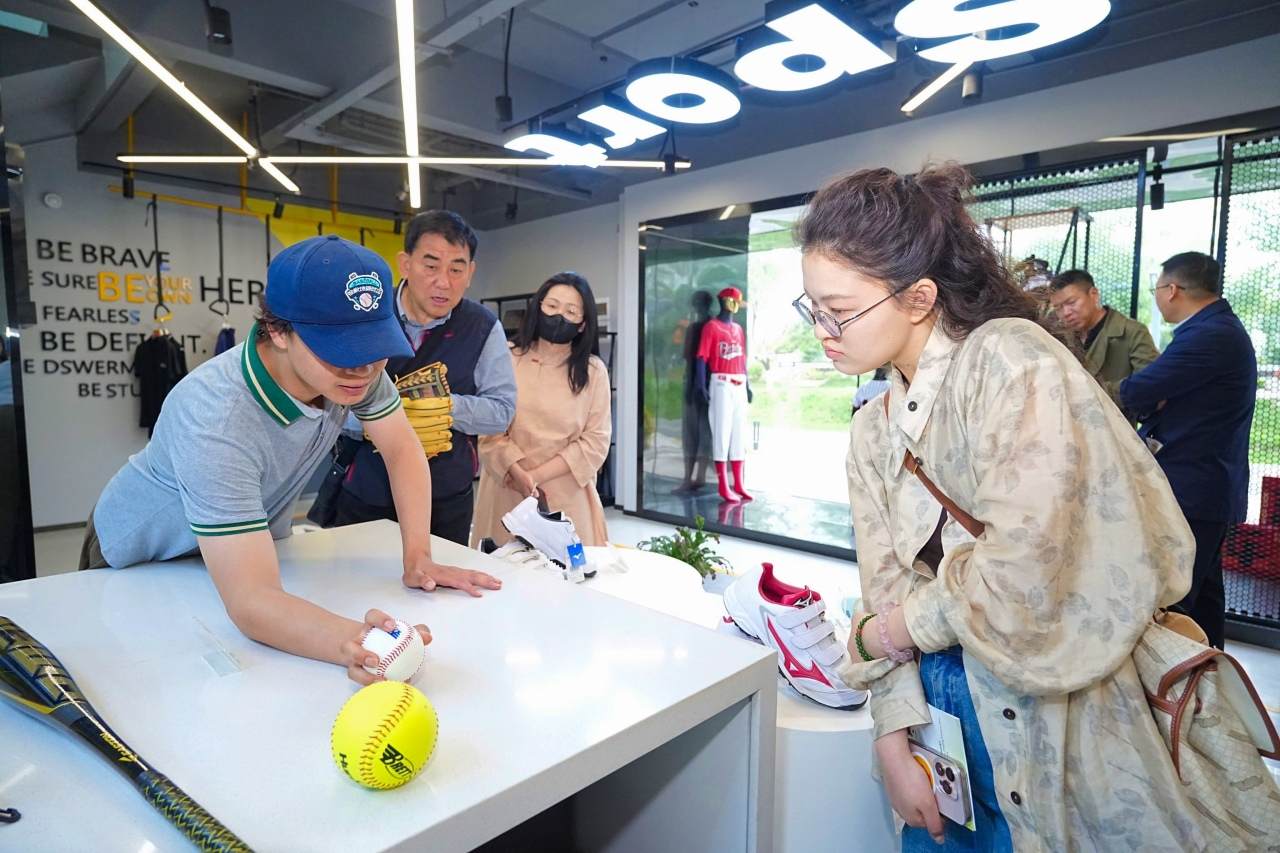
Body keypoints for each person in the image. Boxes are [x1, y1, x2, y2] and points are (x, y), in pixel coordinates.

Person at [794, 164, 1198, 850]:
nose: (822, 331)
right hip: (935, 720)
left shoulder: (1011, 362)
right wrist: (892, 737)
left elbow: (1022, 576)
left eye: (839, 310)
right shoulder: (871, 428)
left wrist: (891, 631)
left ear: (919, 297)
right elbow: (882, 584)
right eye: (812, 309)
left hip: (1056, 707)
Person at [81, 236, 500, 682]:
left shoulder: (356, 374)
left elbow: (401, 448)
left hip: (227, 551)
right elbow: (251, 601)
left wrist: (419, 556)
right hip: (141, 558)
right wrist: (358, 643)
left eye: (372, 345)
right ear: (279, 331)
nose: (362, 368)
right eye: (340, 349)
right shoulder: (216, 417)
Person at [327, 210, 517, 545]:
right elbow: (326, 400)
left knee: (443, 577)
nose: (443, 282)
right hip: (367, 491)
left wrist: (443, 407)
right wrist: (383, 418)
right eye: (431, 266)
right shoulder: (367, 313)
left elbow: (502, 411)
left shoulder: (483, 327)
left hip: (445, 497)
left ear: (470, 273)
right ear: (405, 264)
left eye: (456, 269)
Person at [1120, 252, 1257, 649]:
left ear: (1172, 289)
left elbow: (1137, 389)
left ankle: (1176, 681)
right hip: (1204, 485)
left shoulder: (1211, 335)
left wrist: (1148, 395)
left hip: (1194, 488)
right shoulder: (1214, 329)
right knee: (1205, 599)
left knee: (1175, 600)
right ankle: (1208, 676)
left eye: (1157, 288)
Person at [471, 272, 612, 548]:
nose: (559, 316)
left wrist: (534, 477)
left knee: (564, 571)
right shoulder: (506, 356)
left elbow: (595, 442)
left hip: (566, 494)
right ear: (538, 307)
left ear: (583, 324)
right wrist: (517, 472)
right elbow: (488, 426)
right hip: (506, 487)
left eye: (571, 311)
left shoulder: (593, 371)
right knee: (501, 568)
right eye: (552, 306)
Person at [1048, 268, 1158, 420]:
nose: (1066, 313)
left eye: (1071, 302)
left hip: (1116, 427)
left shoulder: (1132, 332)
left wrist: (1088, 392)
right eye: (1058, 308)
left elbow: (1151, 386)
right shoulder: (1059, 337)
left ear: (1093, 294)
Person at [696, 286, 753, 503]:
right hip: (721, 382)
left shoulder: (738, 329)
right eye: (733, 301)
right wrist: (700, 385)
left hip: (739, 382)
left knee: (739, 434)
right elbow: (702, 357)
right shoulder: (711, 327)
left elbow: (742, 359)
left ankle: (738, 483)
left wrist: (748, 384)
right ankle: (723, 485)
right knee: (721, 432)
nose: (734, 305)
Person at [674, 289, 715, 494]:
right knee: (703, 433)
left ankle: (691, 478)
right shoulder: (712, 326)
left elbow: (691, 361)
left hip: (698, 386)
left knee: (693, 434)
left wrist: (691, 388)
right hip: (710, 386)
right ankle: (697, 477)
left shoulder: (697, 328)